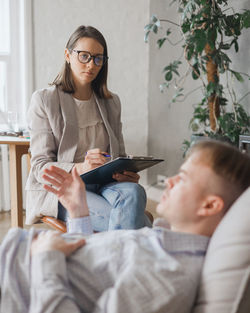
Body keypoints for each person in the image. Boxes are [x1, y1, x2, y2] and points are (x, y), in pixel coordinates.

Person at [1, 141, 249, 313]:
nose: (169, 181)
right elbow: (95, 267)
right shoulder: (163, 243)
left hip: (14, 279)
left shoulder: (170, 274)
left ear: (209, 205)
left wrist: (47, 258)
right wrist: (78, 211)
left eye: (182, 178)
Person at [25, 25, 150, 232]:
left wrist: (127, 172)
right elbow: (39, 166)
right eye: (84, 56)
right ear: (68, 54)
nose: (91, 64)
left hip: (107, 185)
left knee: (135, 192)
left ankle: (118, 255)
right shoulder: (44, 100)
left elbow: (118, 155)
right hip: (66, 190)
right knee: (134, 220)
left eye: (98, 58)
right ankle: (137, 247)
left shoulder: (112, 102)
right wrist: (80, 168)